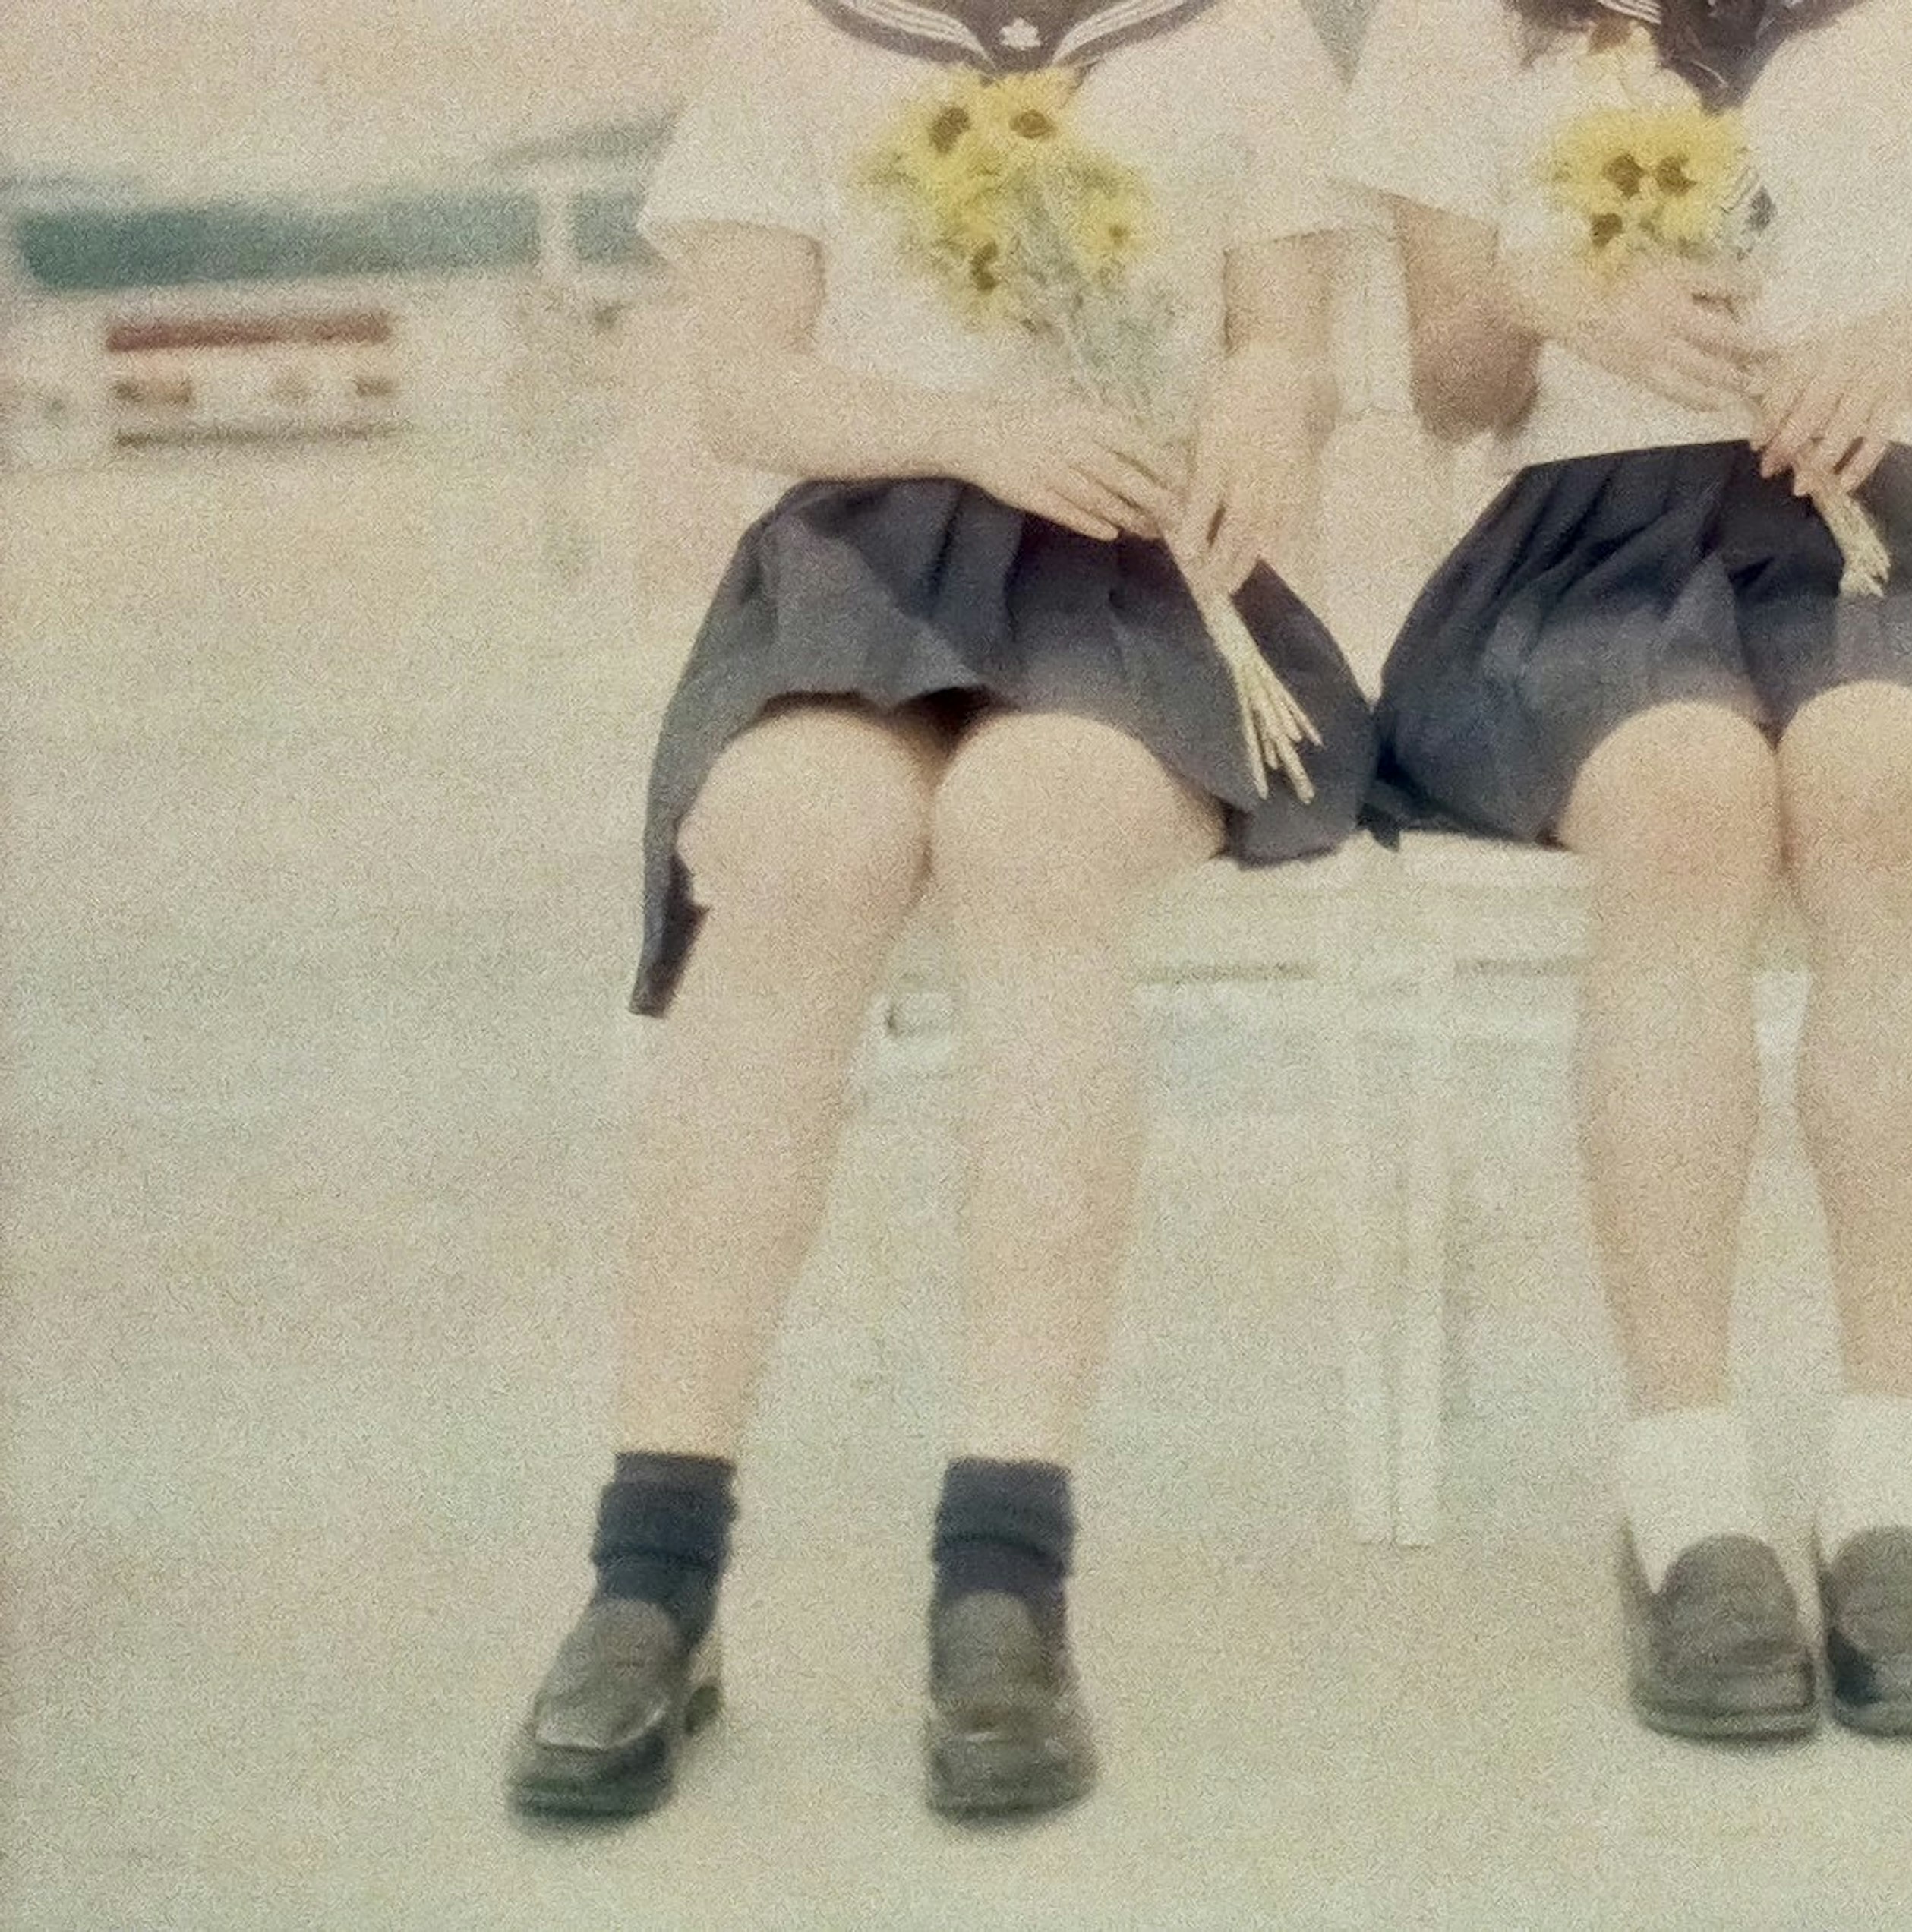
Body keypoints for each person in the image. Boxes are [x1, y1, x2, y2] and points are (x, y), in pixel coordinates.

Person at [503, 0, 1372, 1819]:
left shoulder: (1244, 37)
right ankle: (651, 1569)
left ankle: (1004, 1571)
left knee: (1031, 831)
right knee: (804, 849)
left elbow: (1292, 337)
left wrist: (1263, 404)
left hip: (1137, 587)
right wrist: (973, 431)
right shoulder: (798, 39)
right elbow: (746, 379)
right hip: (870, 562)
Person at [1339, 0, 1912, 1740]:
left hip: (1863, 526)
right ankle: (1687, 1488)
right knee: (1684, 798)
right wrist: (1544, 292)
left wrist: (1898, 340)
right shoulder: (1455, 25)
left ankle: (1892, 1484)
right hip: (1579, 545)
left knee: (1877, 780)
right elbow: (1444, 382)